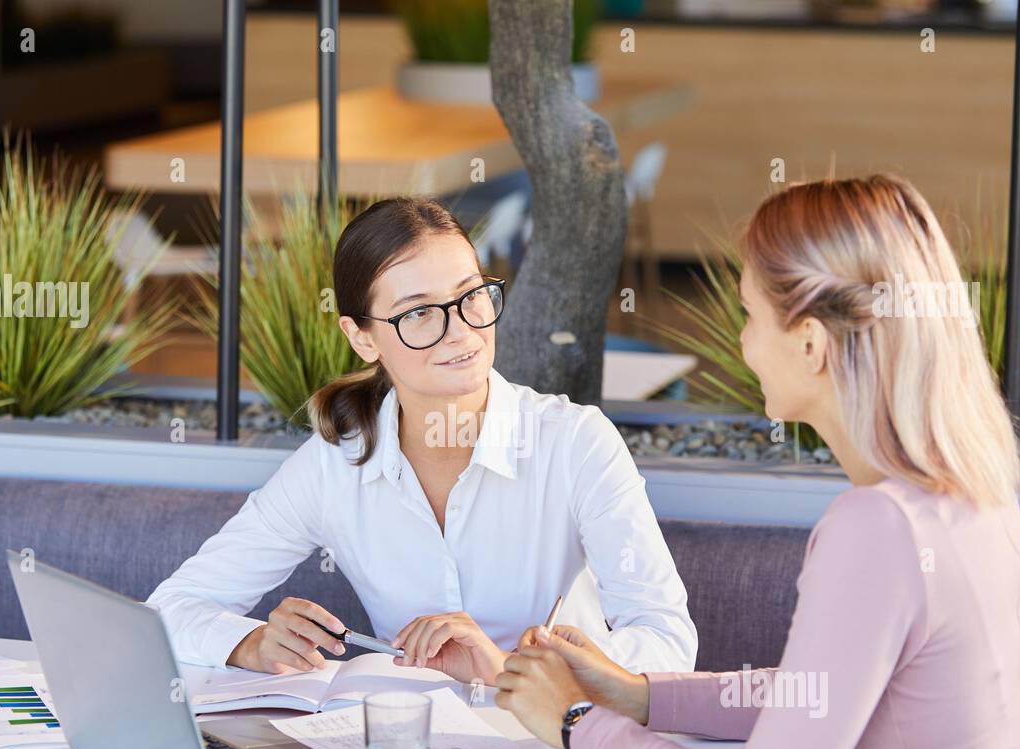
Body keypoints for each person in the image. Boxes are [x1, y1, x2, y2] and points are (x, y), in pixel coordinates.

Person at [496, 175, 1020, 749]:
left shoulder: (878, 529)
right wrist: (640, 694)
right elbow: (823, 692)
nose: (742, 345)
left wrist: (575, 723)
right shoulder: (972, 480)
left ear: (810, 344)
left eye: (749, 316)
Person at [147, 197, 698, 686]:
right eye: (417, 313)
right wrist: (249, 644)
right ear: (362, 338)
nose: (460, 330)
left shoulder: (574, 443)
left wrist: (506, 668)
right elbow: (170, 609)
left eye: (470, 296)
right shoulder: (335, 465)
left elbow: (668, 641)